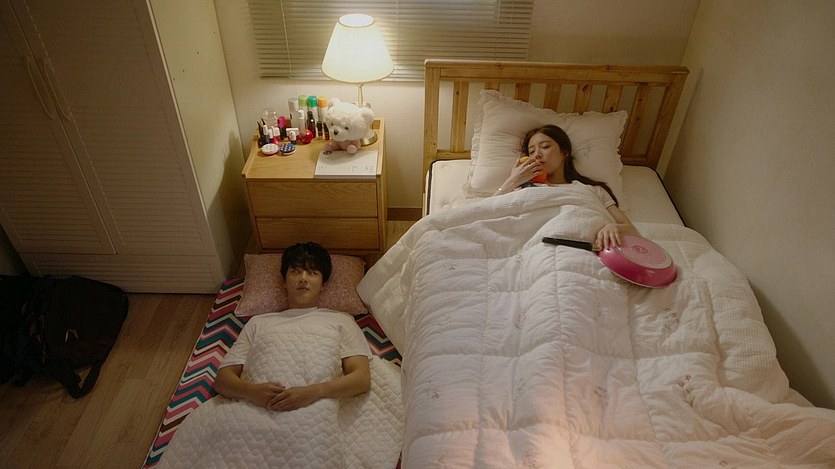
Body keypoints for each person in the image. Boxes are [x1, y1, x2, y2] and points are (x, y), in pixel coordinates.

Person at [214, 242, 371, 411]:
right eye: (295, 271)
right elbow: (222, 379)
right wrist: (250, 391)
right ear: (284, 281)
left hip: (318, 407)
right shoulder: (258, 322)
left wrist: (314, 392)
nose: (303, 278)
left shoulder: (341, 320)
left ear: (323, 285)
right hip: (255, 407)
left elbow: (361, 379)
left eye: (312, 273)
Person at [493, 124, 638, 249]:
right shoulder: (525, 189)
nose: (536, 155)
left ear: (564, 152)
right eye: (531, 151)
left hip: (586, 250)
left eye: (545, 146)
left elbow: (632, 230)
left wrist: (613, 227)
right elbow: (488, 212)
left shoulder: (592, 190)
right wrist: (513, 180)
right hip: (536, 249)